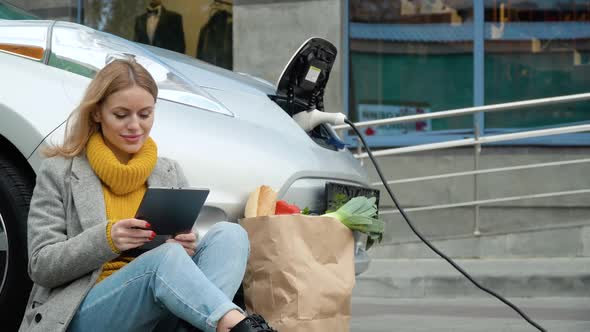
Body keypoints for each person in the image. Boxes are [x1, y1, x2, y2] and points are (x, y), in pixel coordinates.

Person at [18, 58, 275, 332]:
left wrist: (186, 248)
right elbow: (41, 266)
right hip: (85, 311)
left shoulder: (169, 171)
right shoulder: (59, 172)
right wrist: (108, 240)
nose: (135, 126)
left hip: (159, 309)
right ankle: (239, 328)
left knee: (230, 235)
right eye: (121, 115)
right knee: (163, 259)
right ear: (97, 113)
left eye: (145, 114)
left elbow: (180, 266)